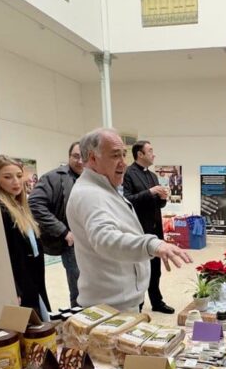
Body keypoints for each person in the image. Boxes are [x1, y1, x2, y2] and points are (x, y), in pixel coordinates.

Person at [66, 128, 192, 311]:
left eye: (123, 155)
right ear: (93, 158)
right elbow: (105, 239)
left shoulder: (104, 187)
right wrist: (152, 245)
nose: (123, 164)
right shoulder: (90, 194)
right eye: (115, 156)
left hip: (119, 300)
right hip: (111, 306)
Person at [0, 155, 51, 320]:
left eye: (19, 176)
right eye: (7, 177)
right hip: (21, 279)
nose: (16, 182)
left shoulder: (20, 206)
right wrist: (15, 289)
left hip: (34, 275)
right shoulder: (1, 210)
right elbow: (5, 256)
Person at [123, 140, 175, 314]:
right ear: (140, 154)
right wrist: (151, 192)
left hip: (155, 228)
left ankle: (156, 301)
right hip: (138, 229)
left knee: (155, 269)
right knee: (139, 269)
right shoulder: (128, 173)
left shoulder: (152, 176)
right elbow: (127, 200)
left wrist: (162, 197)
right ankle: (137, 304)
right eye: (150, 151)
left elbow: (158, 205)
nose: (154, 154)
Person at [29, 142, 83, 307]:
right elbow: (35, 203)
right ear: (68, 157)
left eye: (84, 157)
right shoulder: (53, 177)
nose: (80, 161)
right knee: (79, 289)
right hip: (73, 242)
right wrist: (63, 231)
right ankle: (79, 325)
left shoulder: (94, 178)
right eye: (76, 156)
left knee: (95, 286)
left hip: (93, 241)